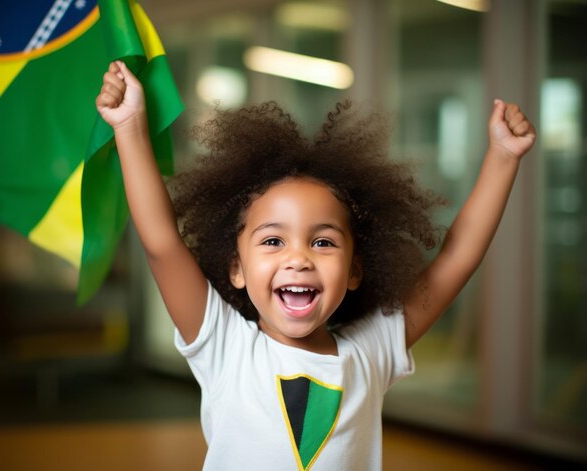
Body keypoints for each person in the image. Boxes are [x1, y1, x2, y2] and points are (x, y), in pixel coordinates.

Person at [96, 60, 536, 470]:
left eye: (322, 241)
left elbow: (456, 257)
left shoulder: (373, 349)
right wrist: (130, 127)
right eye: (272, 240)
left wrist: (503, 157)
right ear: (237, 269)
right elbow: (162, 244)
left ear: (355, 270)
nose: (298, 258)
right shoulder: (223, 345)